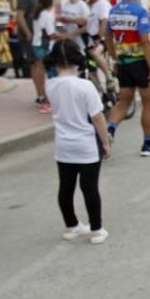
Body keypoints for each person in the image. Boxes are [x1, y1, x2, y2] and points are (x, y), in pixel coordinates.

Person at [45, 39, 110, 244]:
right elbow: (97, 117)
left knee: (66, 187)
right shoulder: (85, 86)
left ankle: (71, 226)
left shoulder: (50, 85)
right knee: (90, 188)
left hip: (63, 144)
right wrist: (105, 141)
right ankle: (97, 229)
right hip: (86, 144)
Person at [105, 0, 150, 157]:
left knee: (123, 102)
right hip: (139, 62)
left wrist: (115, 59)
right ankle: (148, 143)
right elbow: (145, 41)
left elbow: (108, 37)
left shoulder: (113, 11)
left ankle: (109, 130)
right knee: (148, 103)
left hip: (123, 63)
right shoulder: (139, 12)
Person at [16, 0, 49, 108]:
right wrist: (28, 34)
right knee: (38, 64)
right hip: (30, 37)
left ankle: (40, 95)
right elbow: (20, 16)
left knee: (36, 64)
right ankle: (42, 96)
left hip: (38, 37)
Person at [85, 0, 117, 91]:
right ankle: (100, 93)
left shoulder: (102, 4)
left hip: (103, 39)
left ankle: (109, 76)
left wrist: (99, 37)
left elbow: (104, 21)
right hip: (90, 41)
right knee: (91, 68)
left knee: (96, 53)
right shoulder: (92, 5)